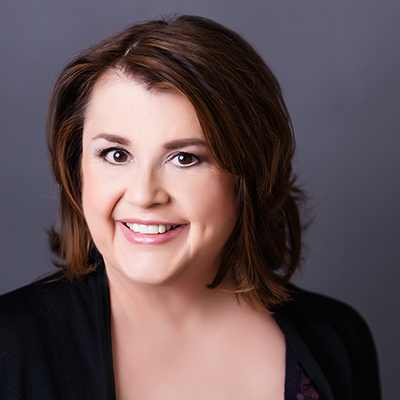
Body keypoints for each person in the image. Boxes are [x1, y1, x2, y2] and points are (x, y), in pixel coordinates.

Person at [0, 15, 380, 400]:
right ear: (77, 169)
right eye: (116, 154)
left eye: (185, 158)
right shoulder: (9, 346)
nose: (145, 194)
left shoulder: (337, 339)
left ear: (247, 176)